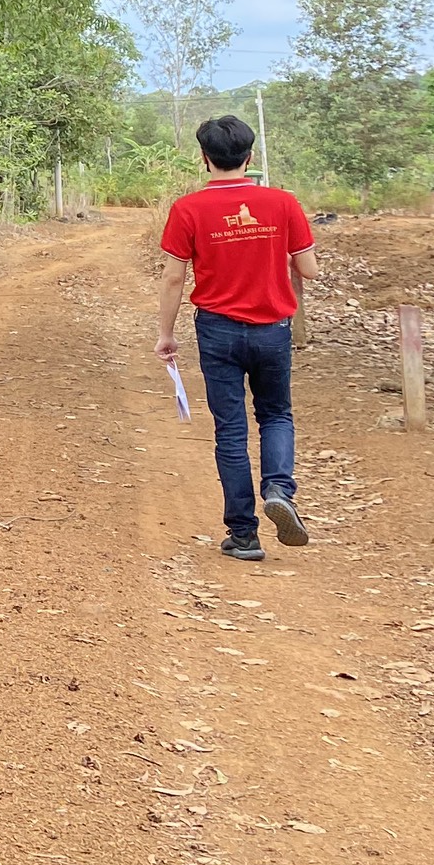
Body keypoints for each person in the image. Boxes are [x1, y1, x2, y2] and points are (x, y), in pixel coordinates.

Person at [155, 114, 320, 562]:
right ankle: (279, 489)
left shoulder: (187, 210)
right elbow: (308, 269)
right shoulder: (282, 203)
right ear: (250, 157)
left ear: (205, 158)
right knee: (275, 414)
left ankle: (244, 535)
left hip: (217, 329)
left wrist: (166, 335)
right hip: (273, 329)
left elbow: (173, 279)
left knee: (230, 430)